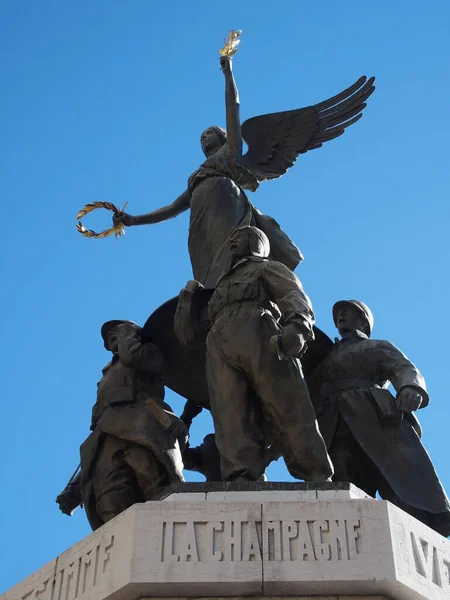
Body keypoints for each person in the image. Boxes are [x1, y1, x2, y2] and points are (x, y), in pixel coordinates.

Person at [113, 55, 302, 288]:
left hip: (227, 206)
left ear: (222, 137)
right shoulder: (198, 176)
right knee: (208, 269)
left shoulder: (230, 151)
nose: (204, 138)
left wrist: (228, 74)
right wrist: (133, 220)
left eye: (208, 133)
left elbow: (232, 107)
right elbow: (172, 209)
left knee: (232, 254)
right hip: (201, 220)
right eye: (201, 137)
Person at [175, 226, 333, 483]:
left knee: (287, 403)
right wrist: (188, 296)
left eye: (241, 237)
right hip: (219, 344)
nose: (233, 240)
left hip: (260, 332)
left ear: (257, 243)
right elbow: (189, 336)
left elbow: (293, 294)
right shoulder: (219, 289)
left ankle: (315, 472)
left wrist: (297, 326)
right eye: (232, 237)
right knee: (230, 414)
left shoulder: (266, 267)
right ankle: (242, 475)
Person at [310, 300, 450, 536]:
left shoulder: (376, 347)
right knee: (343, 479)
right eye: (337, 313)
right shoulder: (325, 359)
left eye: (348, 311)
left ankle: (413, 532)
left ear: (363, 320)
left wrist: (410, 388)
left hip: (374, 419)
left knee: (397, 479)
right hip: (335, 423)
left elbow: (405, 368)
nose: (341, 315)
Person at [57, 320, 187, 530]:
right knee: (110, 510)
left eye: (118, 330)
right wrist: (75, 488)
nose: (112, 335)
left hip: (142, 431)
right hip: (106, 439)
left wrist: (129, 331)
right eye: (110, 336)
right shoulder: (107, 373)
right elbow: (96, 437)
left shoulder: (149, 353)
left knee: (162, 496)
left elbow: (132, 357)